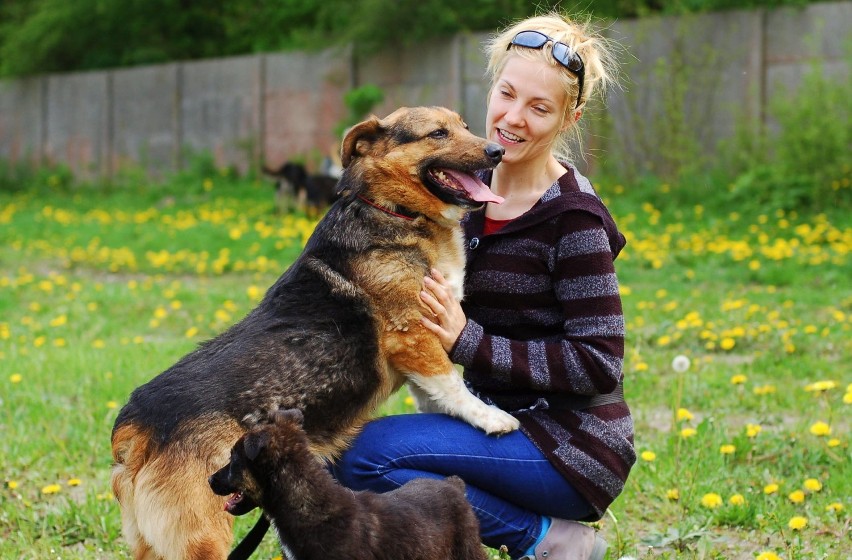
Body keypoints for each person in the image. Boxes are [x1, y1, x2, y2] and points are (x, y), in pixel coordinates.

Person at [333, 12, 635, 560]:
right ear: (491, 86)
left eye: (539, 108)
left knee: (365, 460)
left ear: (570, 117)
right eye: (507, 94)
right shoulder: (459, 192)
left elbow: (598, 362)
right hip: (490, 419)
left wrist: (469, 341)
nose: (512, 119)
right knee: (337, 445)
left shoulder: (574, 221)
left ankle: (547, 539)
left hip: (567, 446)